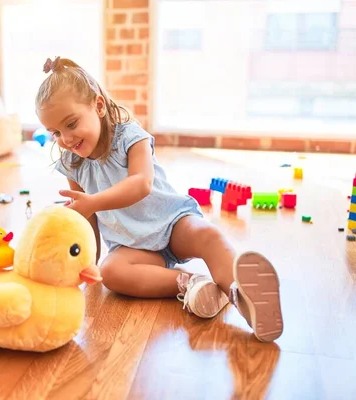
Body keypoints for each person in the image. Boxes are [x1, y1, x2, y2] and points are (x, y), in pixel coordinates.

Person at [35, 56, 283, 343]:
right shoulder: (73, 163)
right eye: (55, 133)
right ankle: (192, 285)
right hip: (133, 246)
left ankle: (241, 297)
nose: (65, 138)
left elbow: (141, 184)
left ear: (99, 106)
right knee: (111, 273)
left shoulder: (130, 136)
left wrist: (93, 202)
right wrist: (87, 264)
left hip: (171, 223)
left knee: (209, 237)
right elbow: (87, 219)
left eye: (71, 123)